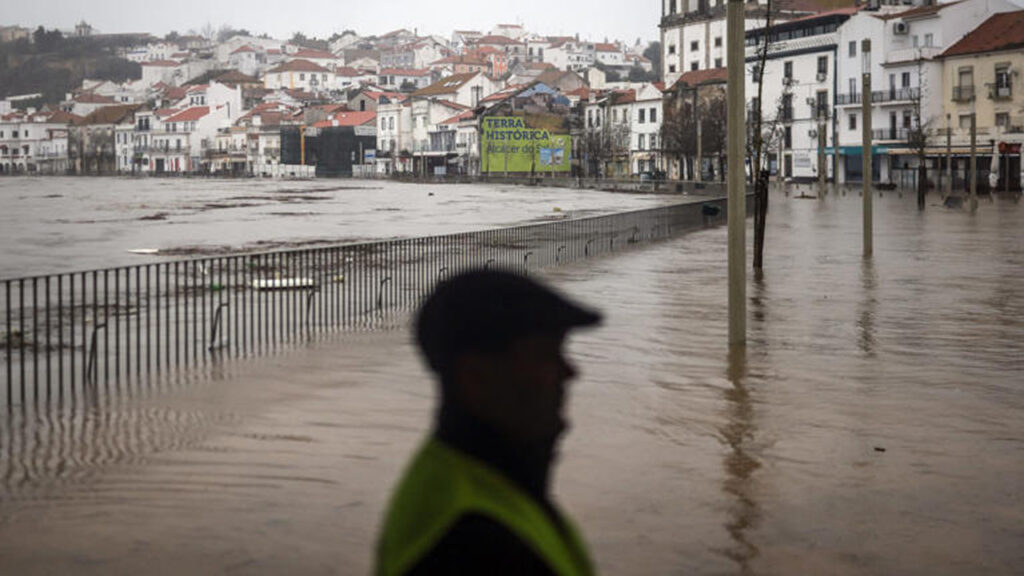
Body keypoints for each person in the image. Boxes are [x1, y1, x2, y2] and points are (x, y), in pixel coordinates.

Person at [375, 269, 602, 576]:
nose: (570, 372)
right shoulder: (475, 541)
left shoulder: (483, 481)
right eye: (546, 355)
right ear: (475, 378)